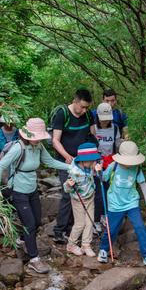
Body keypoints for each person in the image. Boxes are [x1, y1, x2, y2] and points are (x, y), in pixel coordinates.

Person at [0, 118, 70, 274]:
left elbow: (50, 162)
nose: (38, 140)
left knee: (36, 221)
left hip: (32, 189)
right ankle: (34, 259)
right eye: (36, 137)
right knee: (29, 224)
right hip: (18, 190)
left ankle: (22, 240)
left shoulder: (39, 147)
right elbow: (1, 165)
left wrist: (71, 166)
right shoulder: (18, 148)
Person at [97, 141, 146, 268]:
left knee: (140, 227)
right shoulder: (113, 166)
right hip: (115, 203)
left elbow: (143, 184)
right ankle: (104, 249)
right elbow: (104, 178)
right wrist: (99, 171)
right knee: (112, 228)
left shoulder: (136, 168)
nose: (128, 164)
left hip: (132, 202)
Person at [51, 88, 97, 244]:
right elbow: (55, 140)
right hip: (66, 160)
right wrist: (66, 156)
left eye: (87, 107)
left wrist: (94, 158)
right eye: (82, 107)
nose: (84, 111)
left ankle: (76, 227)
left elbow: (92, 136)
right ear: (74, 101)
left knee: (86, 191)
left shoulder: (89, 115)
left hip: (84, 160)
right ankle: (60, 230)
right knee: (68, 193)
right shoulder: (62, 114)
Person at [63, 143, 103, 257]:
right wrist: (69, 185)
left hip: (90, 196)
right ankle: (71, 244)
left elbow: (100, 176)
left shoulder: (92, 164)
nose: (93, 164)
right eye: (91, 162)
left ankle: (86, 245)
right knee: (80, 224)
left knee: (90, 222)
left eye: (94, 161)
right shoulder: (74, 171)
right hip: (78, 200)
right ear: (83, 160)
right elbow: (66, 189)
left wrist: (99, 171)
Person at [92, 102, 121, 232]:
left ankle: (105, 215)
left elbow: (118, 145)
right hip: (96, 164)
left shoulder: (115, 128)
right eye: (102, 119)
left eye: (107, 119)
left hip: (111, 164)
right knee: (98, 193)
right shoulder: (93, 128)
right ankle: (96, 220)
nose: (105, 122)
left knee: (109, 190)